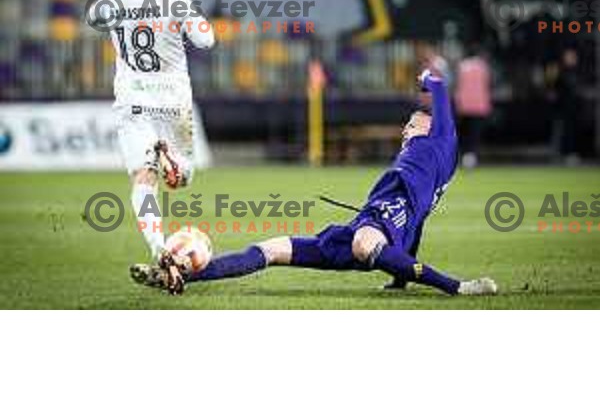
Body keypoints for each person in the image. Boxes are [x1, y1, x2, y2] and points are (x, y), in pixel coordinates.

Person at [131, 70, 497, 297]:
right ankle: (175, 275)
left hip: (376, 229)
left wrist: (426, 78)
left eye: (413, 123)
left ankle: (457, 286)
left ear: (431, 129)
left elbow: (439, 84)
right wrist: (400, 279)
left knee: (364, 241)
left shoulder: (439, 142)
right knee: (270, 249)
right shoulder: (427, 162)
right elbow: (416, 226)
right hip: (360, 231)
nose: (406, 128)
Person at [90, 0, 215, 260]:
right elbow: (206, 40)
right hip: (174, 102)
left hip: (133, 102)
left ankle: (157, 245)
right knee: (182, 178)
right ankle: (168, 160)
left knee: (143, 180)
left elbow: (93, 17)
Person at [454, 45, 492, 169]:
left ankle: (464, 156)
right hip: (479, 105)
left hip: (464, 105)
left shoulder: (462, 66)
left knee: (463, 133)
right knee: (474, 134)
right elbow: (487, 85)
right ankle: (471, 157)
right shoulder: (483, 67)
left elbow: (457, 85)